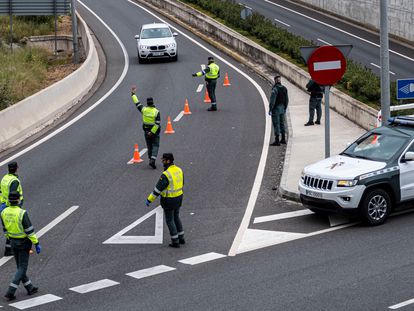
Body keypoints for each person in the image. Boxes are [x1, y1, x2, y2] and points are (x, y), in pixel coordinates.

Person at [1, 191, 41, 301]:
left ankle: (30, 287)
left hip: (13, 242)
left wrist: (10, 238)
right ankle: (10, 291)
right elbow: (29, 231)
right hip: (23, 244)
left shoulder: (4, 212)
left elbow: (5, 229)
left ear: (9, 200)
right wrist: (36, 243)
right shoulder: (22, 213)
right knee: (22, 268)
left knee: (20, 268)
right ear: (18, 200)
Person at [146, 153, 185, 248]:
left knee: (170, 220)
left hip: (169, 200)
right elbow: (182, 183)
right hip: (179, 198)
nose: (162, 162)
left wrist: (149, 200)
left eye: (163, 160)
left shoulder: (166, 174)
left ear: (168, 161)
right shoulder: (179, 170)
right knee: (176, 217)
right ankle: (181, 238)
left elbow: (157, 190)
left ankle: (175, 241)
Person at [131, 87, 161, 169]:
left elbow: (137, 103)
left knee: (149, 145)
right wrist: (152, 132)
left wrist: (133, 94)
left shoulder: (144, 110)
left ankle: (149, 159)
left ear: (147, 103)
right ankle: (153, 160)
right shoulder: (156, 112)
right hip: (154, 132)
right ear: (153, 103)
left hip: (146, 131)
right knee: (155, 145)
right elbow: (157, 124)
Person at [0, 162, 24, 257]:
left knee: (9, 227)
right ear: (17, 168)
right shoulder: (14, 181)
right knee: (15, 226)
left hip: (3, 205)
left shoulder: (5, 178)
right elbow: (13, 195)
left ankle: (9, 248)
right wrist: (14, 206)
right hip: (10, 206)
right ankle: (11, 249)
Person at [269, 74, 289, 146]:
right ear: (280, 81)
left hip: (276, 109)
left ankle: (277, 140)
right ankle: (283, 139)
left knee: (276, 124)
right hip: (282, 108)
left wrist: (270, 109)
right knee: (282, 123)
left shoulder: (275, 89)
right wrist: (285, 107)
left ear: (275, 81)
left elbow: (272, 101)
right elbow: (287, 100)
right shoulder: (284, 88)